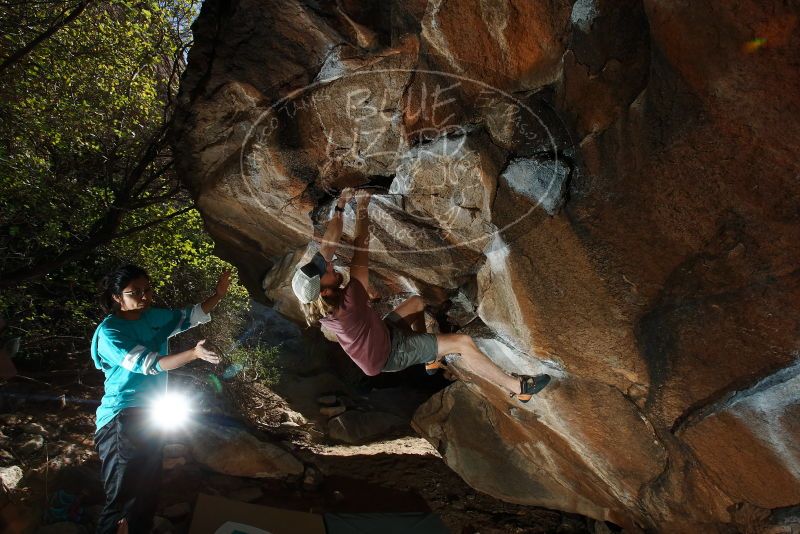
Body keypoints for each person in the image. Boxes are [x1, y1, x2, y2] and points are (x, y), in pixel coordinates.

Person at [291, 190, 550, 402]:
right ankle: (518, 387)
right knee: (462, 343)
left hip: (381, 335)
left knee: (416, 303)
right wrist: (362, 207)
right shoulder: (349, 304)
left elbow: (327, 247)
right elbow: (362, 245)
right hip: (389, 353)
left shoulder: (319, 301)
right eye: (325, 271)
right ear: (325, 290)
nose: (329, 265)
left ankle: (431, 357)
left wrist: (340, 205)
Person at [91, 264, 230, 534]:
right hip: (121, 418)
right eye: (135, 292)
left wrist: (219, 295)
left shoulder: (153, 316)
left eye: (147, 289)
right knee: (122, 499)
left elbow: (191, 316)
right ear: (116, 297)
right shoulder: (110, 332)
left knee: (146, 497)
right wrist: (193, 354)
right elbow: (149, 364)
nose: (144, 296)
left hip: (151, 415)